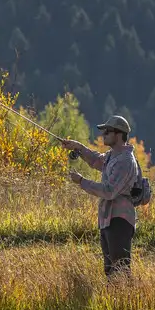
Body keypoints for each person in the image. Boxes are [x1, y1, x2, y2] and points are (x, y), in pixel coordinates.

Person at [60, 115, 139, 278]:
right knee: (110, 270)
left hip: (120, 220)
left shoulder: (125, 161)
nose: (103, 135)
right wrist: (78, 147)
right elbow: (96, 160)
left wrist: (81, 181)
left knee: (120, 270)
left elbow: (109, 191)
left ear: (118, 134)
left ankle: (126, 301)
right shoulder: (112, 156)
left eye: (107, 131)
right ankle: (116, 300)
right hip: (108, 219)